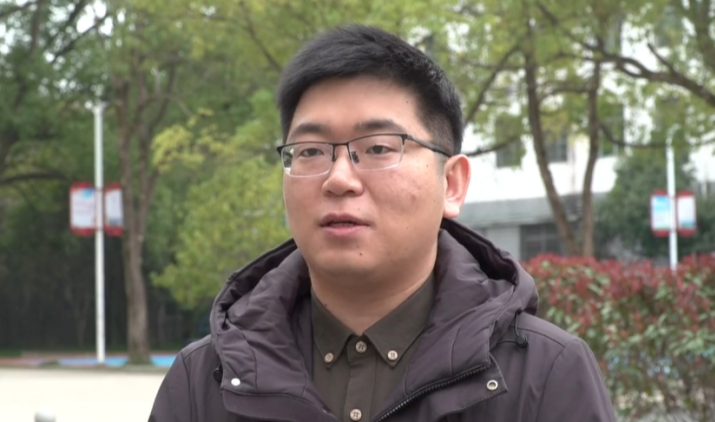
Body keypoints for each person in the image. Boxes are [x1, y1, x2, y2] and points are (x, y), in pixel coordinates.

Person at [149, 24, 616, 422]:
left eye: (377, 148)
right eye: (310, 151)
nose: (338, 179)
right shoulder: (203, 382)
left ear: (452, 184)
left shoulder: (546, 375)